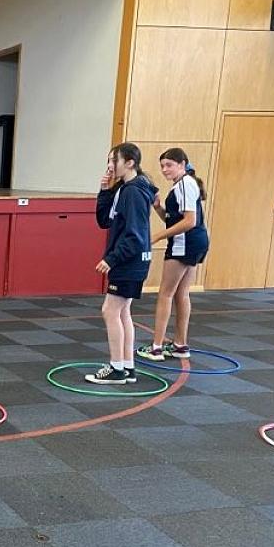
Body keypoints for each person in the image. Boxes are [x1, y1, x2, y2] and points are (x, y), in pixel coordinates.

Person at [88, 143, 155, 385]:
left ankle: (117, 368)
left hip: (130, 261)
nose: (109, 166)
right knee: (123, 311)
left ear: (129, 162)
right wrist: (105, 191)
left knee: (110, 310)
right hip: (132, 260)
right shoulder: (124, 189)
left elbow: (134, 235)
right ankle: (127, 366)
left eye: (113, 160)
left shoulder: (134, 192)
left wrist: (112, 258)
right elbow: (104, 221)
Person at [136, 148, 209, 362]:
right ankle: (180, 345)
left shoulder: (185, 184)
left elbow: (189, 221)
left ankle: (156, 347)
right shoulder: (182, 185)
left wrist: (157, 236)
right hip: (196, 242)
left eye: (169, 165)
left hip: (185, 243)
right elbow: (174, 219)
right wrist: (158, 208)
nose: (164, 169)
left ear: (182, 164)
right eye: (162, 166)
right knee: (181, 293)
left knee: (166, 294)